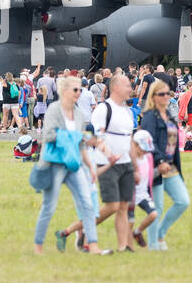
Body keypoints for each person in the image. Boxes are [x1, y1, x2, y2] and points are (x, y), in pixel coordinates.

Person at [64, 73, 137, 251]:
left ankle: (123, 246)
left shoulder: (127, 111)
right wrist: (109, 154)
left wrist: (135, 167)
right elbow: (98, 136)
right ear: (116, 88)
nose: (130, 89)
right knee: (111, 205)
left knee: (123, 206)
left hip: (125, 163)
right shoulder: (104, 109)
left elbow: (130, 140)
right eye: (127, 85)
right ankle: (76, 229)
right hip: (106, 163)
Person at [33, 76, 100, 254]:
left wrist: (90, 166)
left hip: (73, 163)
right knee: (49, 206)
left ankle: (92, 244)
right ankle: (38, 245)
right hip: (54, 163)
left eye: (80, 90)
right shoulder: (54, 110)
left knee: (87, 204)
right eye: (75, 90)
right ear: (64, 91)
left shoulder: (78, 114)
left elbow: (80, 145)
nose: (79, 93)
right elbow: (47, 136)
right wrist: (74, 137)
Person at [136, 77, 190, 250]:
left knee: (183, 201)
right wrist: (159, 161)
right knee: (157, 207)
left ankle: (160, 234)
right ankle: (153, 245)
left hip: (171, 166)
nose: (166, 96)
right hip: (156, 166)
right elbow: (148, 141)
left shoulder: (169, 116)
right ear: (153, 96)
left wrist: (170, 162)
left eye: (168, 93)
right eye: (162, 94)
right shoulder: (150, 117)